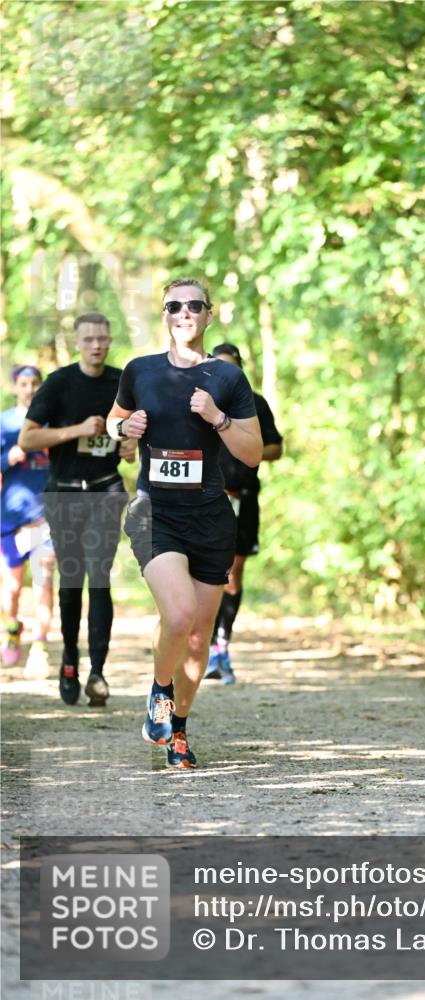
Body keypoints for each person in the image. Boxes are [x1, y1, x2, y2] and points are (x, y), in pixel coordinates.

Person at [106, 278, 262, 769]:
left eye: (195, 305)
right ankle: (159, 691)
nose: (185, 312)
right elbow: (115, 424)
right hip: (156, 513)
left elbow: (253, 453)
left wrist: (217, 418)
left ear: (209, 315)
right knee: (177, 616)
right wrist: (122, 429)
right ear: (165, 314)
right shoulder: (141, 371)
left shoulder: (228, 378)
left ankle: (178, 732)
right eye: (175, 305)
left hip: (212, 519)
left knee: (198, 635)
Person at [19, 313, 132, 707]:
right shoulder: (60, 382)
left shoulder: (123, 383)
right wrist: (77, 430)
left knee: (99, 576)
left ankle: (98, 673)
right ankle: (70, 659)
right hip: (64, 494)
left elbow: (137, 435)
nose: (97, 345)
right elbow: (28, 437)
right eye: (89, 339)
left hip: (105, 491)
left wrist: (132, 445)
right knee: (72, 580)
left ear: (110, 340)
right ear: (78, 342)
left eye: (102, 338)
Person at [204, 342, 283, 684]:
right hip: (207, 498)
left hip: (244, 495)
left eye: (231, 366)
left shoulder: (255, 403)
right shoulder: (200, 403)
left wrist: (244, 444)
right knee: (206, 573)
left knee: (233, 574)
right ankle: (204, 649)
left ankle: (222, 646)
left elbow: (276, 448)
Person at [1, 365, 55, 675]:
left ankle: (40, 645)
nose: (30, 388)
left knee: (44, 581)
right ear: (15, 387)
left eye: (35, 383)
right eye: (24, 383)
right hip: (10, 516)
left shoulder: (51, 423)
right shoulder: (4, 421)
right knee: (10, 588)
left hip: (44, 517)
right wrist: (10, 456)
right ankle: (11, 632)